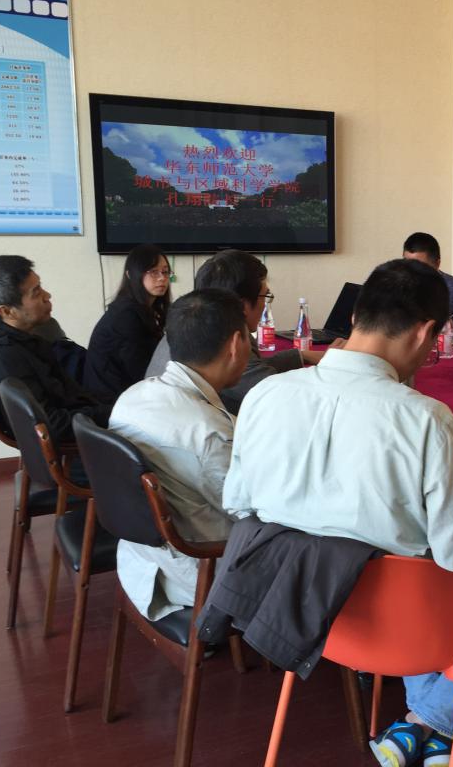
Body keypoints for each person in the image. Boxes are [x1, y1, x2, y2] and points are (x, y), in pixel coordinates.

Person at [223, 259, 453, 767]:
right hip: (398, 623)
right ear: (425, 333)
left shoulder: (264, 395)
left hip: (300, 611)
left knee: (427, 574)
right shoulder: (424, 419)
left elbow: (238, 506)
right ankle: (439, 726)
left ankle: (425, 727)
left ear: (355, 318)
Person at [110, 289, 251, 620]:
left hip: (140, 557)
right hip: (202, 570)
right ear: (235, 344)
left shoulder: (131, 398)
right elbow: (252, 511)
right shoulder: (209, 432)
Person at [145, 248, 341, 414]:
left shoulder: (189, 326)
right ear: (242, 306)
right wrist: (335, 365)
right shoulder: (225, 343)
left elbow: (253, 368)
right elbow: (287, 396)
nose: (265, 304)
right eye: (265, 295)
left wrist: (302, 355)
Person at [0, 255, 110, 444]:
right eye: (36, 293)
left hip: (82, 419)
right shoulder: (4, 357)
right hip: (76, 440)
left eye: (41, 286)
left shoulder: (28, 339)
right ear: (7, 311)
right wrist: (115, 413)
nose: (47, 295)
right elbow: (50, 425)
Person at [84, 244, 172, 403]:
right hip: (111, 402)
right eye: (153, 272)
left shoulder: (146, 310)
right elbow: (142, 371)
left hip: (128, 392)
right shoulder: (125, 315)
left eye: (165, 272)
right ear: (131, 275)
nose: (162, 278)